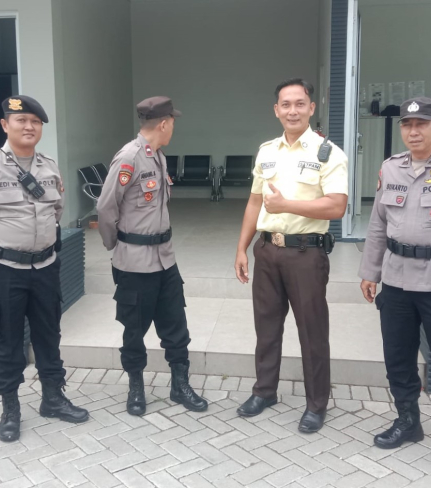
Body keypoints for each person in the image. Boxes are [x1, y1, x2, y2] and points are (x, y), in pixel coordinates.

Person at [234, 79, 348, 433]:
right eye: (286, 104)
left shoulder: (328, 153)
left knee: (312, 331)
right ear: (276, 110)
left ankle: (316, 404)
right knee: (266, 327)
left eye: (300, 104)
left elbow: (337, 206)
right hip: (268, 251)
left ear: (311, 108)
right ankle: (264, 391)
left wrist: (287, 205)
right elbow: (255, 201)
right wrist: (241, 247)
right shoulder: (267, 151)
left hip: (306, 254)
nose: (293, 111)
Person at [97, 96, 207, 416]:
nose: (173, 127)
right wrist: (117, 246)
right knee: (134, 329)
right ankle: (136, 387)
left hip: (165, 259)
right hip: (134, 263)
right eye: (172, 122)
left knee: (176, 326)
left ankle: (179, 385)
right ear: (163, 124)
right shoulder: (129, 157)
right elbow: (105, 208)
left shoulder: (158, 157)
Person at [0, 96, 89, 443]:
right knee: (8, 341)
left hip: (47, 267)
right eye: (21, 120)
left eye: (35, 122)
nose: (29, 127)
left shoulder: (50, 167)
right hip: (7, 270)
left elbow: (56, 211)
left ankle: (53, 398)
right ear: (5, 125)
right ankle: (10, 409)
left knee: (49, 335)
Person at [359, 96, 431, 449]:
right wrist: (370, 271)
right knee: (398, 357)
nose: (413, 131)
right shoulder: (390, 168)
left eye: (422, 124)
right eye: (407, 125)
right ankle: (408, 422)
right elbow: (377, 225)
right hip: (396, 279)